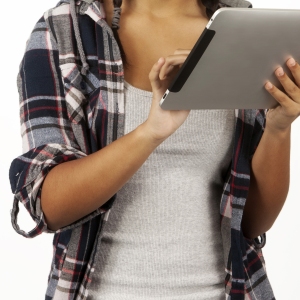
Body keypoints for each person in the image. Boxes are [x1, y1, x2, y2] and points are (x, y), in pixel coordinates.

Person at [9, 0, 300, 299]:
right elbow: (49, 204)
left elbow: (252, 222)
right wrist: (150, 132)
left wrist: (279, 127)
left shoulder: (243, 30)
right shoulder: (64, 30)